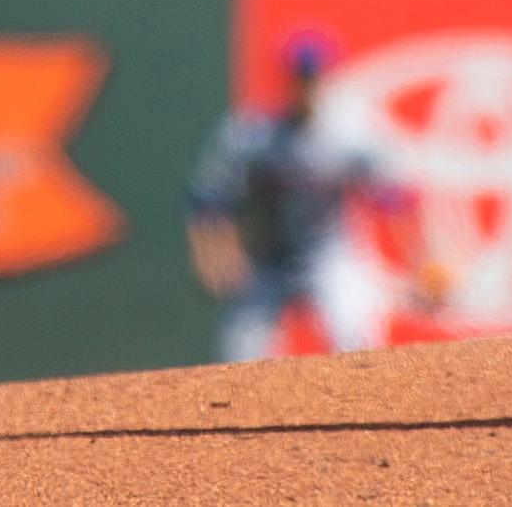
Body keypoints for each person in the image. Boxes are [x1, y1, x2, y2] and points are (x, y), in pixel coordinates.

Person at [186, 28, 437, 359]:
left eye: (313, 75)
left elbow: (397, 200)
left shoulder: (352, 133)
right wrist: (211, 254)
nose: (306, 84)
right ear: (285, 78)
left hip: (332, 257)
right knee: (239, 356)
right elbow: (208, 198)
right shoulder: (255, 134)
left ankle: (365, 410)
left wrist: (422, 261)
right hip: (269, 259)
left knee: (356, 343)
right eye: (299, 76)